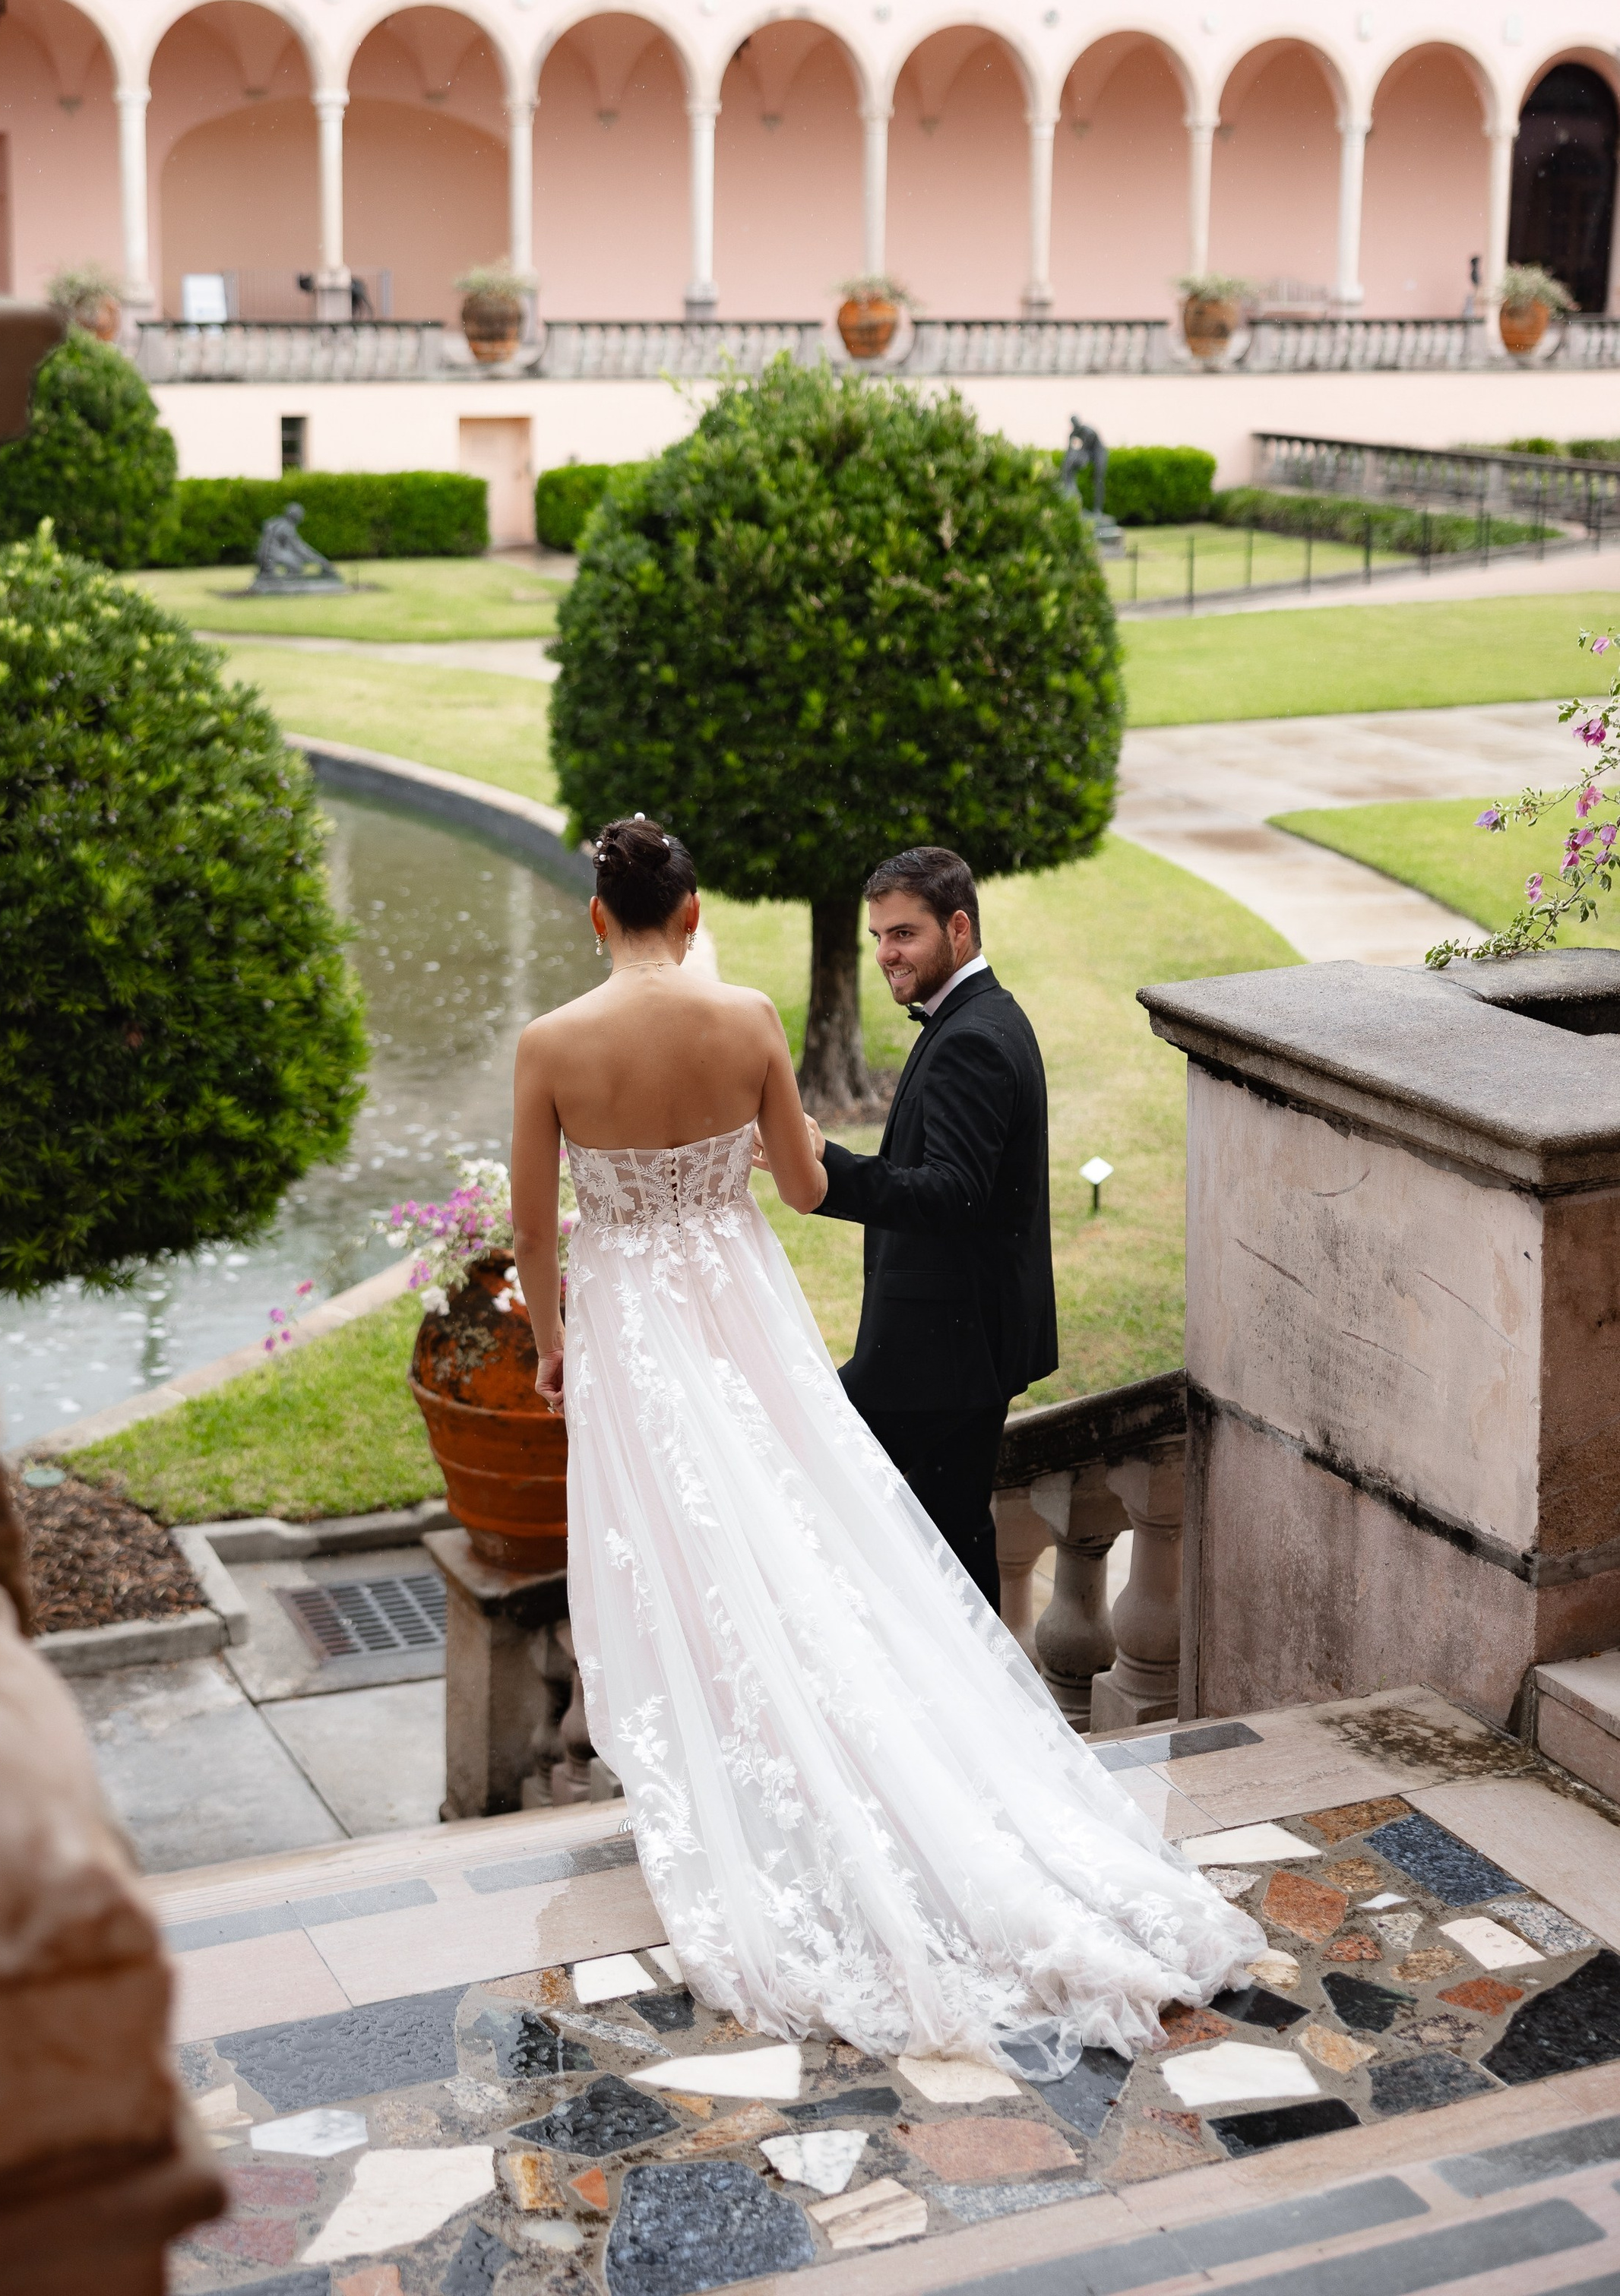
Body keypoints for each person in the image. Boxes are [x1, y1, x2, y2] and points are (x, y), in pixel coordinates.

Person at [511, 816, 1255, 2069]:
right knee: (809, 1529)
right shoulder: (746, 1020)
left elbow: (538, 1230)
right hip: (742, 1310)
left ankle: (726, 1778)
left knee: (671, 1547)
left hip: (632, 1326)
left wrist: (550, 1340)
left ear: (601, 916)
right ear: (692, 913)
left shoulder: (550, 1045)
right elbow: (802, 1188)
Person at [813, 845, 1051, 1614]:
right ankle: (985, 1712)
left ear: (958, 926)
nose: (886, 953)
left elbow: (953, 1194)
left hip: (937, 1354)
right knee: (954, 1539)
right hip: (957, 1346)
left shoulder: (973, 1039)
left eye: (904, 934)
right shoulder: (980, 1016)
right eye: (878, 935)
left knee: (812, 1476)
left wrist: (824, 1167)